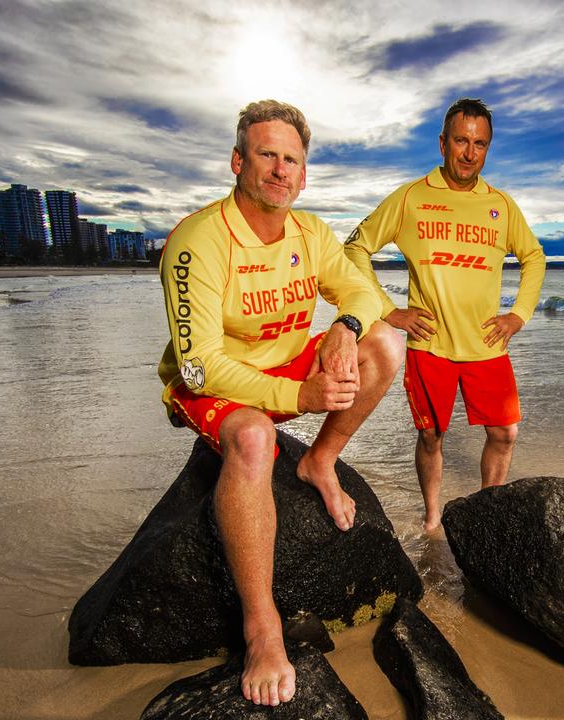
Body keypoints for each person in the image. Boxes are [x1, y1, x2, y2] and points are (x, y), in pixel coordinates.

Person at [157, 100, 404, 706]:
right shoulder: (198, 240)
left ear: (304, 172)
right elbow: (197, 365)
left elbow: (360, 290)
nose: (280, 169)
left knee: (386, 343)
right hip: (213, 386)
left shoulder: (310, 232)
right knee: (254, 439)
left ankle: (320, 461)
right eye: (267, 154)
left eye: (291, 159)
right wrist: (299, 394)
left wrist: (344, 325)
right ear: (238, 161)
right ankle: (262, 626)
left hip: (286, 369)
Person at [344, 97, 546, 532]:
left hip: (486, 345)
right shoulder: (412, 197)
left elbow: (534, 257)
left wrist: (519, 314)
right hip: (429, 344)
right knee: (432, 436)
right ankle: (433, 515)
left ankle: (487, 510)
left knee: (505, 432)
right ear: (442, 143)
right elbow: (355, 247)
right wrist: (388, 310)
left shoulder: (501, 205)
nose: (470, 153)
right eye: (461, 141)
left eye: (480, 144)